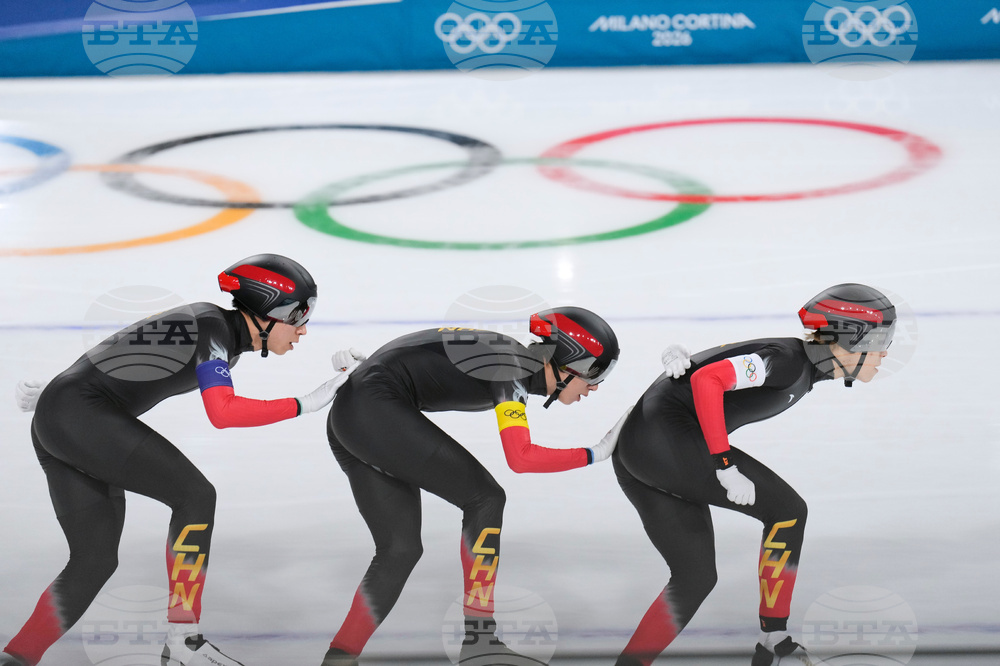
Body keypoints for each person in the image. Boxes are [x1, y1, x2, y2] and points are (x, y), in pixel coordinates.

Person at [2, 254, 359, 666]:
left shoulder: (212, 328)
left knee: (94, 561)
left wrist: (61, 388)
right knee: (194, 497)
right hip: (78, 415)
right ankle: (185, 641)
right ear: (264, 311)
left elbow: (126, 351)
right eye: (298, 315)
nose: (302, 329)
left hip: (65, 415)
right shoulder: (211, 328)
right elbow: (222, 413)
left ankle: (17, 658)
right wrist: (306, 403)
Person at [611, 284, 898, 666]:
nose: (885, 352)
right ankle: (772, 641)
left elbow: (711, 367)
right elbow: (706, 380)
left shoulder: (797, 362)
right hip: (664, 444)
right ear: (846, 341)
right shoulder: (790, 363)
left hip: (637, 450)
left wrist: (680, 356)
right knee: (787, 511)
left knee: (694, 578)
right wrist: (724, 464)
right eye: (880, 340)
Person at [320, 307, 622, 666]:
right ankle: (480, 640)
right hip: (371, 409)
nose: (595, 387)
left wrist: (371, 370)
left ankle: (338, 659)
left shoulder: (512, 360)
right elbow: (521, 458)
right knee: (486, 499)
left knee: (399, 550)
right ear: (568, 360)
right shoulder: (512, 367)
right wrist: (595, 453)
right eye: (594, 373)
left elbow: (418, 356)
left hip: (352, 414)